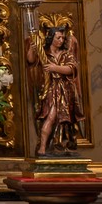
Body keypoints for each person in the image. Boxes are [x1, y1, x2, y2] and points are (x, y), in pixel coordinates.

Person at [27, 20, 83, 154]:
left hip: (66, 90)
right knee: (51, 116)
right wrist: (32, 49)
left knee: (65, 119)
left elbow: (71, 69)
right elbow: (31, 60)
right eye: (58, 37)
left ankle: (61, 144)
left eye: (62, 38)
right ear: (51, 38)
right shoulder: (44, 53)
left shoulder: (66, 54)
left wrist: (55, 68)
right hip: (51, 89)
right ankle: (43, 146)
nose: (61, 40)